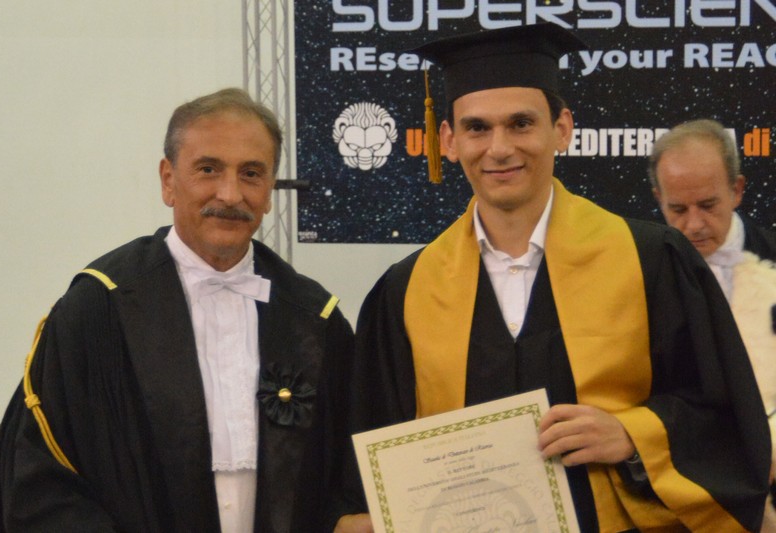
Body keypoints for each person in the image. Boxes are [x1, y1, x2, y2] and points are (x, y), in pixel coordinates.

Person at [329, 24, 771, 532]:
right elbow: (371, 448)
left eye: (521, 124)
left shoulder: (650, 260)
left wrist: (633, 435)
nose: (499, 148)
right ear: (448, 140)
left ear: (561, 128)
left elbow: (727, 416)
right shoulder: (407, 290)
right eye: (477, 128)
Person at [0, 88, 354, 532]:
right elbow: (40, 479)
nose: (230, 194)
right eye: (208, 169)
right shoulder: (99, 309)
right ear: (168, 180)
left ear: (271, 190)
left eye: (251, 173)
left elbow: (343, 475)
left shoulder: (313, 319)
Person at [649, 118, 776, 523]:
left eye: (708, 205)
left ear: (737, 190)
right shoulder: (639, 270)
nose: (694, 225)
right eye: (677, 209)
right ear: (658, 198)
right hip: (681, 494)